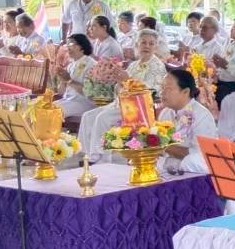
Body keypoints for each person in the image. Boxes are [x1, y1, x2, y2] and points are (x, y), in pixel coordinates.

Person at [79, 30, 168, 162]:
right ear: (137, 45)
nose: (147, 46)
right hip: (121, 103)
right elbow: (118, 86)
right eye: (143, 42)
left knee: (102, 118)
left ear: (156, 47)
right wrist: (120, 82)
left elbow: (150, 92)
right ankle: (87, 154)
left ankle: (101, 158)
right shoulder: (134, 64)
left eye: (151, 43)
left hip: (138, 109)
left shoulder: (157, 66)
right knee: (87, 116)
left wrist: (127, 80)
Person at [158, 69, 219, 174]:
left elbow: (201, 157)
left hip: (194, 175)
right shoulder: (165, 113)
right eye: (162, 88)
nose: (162, 93)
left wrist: (164, 147)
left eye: (168, 89)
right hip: (166, 170)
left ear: (185, 91)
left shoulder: (202, 115)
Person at [55, 34, 97, 119]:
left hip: (84, 102)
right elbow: (61, 92)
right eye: (67, 45)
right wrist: (61, 79)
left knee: (52, 112)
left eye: (71, 44)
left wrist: (69, 80)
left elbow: (89, 93)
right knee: (42, 108)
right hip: (69, 100)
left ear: (82, 46)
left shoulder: (91, 64)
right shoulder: (71, 65)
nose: (68, 48)